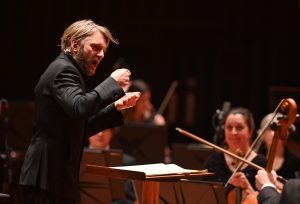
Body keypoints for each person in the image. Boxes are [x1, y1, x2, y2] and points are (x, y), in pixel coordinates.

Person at [19, 19, 141, 204]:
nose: (101, 55)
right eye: (96, 47)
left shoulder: (70, 71)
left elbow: (80, 128)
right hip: (46, 178)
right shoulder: (63, 70)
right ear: (75, 45)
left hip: (58, 179)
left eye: (103, 51)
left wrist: (115, 107)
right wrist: (112, 82)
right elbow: (80, 108)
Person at [203, 107, 267, 202]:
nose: (234, 132)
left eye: (239, 127)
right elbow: (204, 198)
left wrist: (248, 186)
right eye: (229, 127)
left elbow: (268, 200)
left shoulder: (261, 164)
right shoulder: (212, 162)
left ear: (250, 131)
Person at [257, 113, 300, 180]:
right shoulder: (255, 158)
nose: (276, 132)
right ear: (262, 134)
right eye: (272, 129)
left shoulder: (295, 161)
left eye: (280, 129)